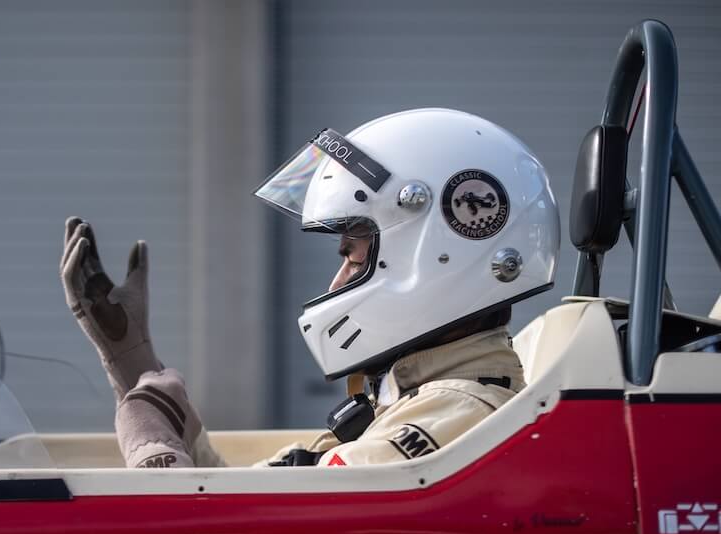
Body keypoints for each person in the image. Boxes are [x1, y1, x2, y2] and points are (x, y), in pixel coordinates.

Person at [60, 108, 560, 468]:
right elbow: (239, 493)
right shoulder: (418, 402)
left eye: (353, 257)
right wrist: (133, 363)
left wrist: (151, 447)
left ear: (433, 259)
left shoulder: (454, 413)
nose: (338, 282)